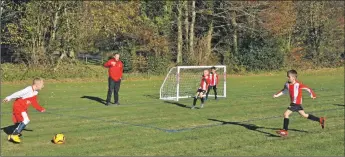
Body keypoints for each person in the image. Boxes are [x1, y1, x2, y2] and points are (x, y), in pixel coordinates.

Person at [273, 70, 325, 137]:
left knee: (286, 114)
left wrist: (313, 95)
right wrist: (276, 95)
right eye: (287, 76)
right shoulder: (287, 84)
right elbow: (284, 90)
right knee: (304, 115)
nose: (287, 78)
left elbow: (308, 88)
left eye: (289, 77)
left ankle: (285, 130)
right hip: (294, 104)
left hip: (296, 104)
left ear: (294, 78)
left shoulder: (298, 84)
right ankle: (320, 120)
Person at [2, 78, 46, 143]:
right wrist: (9, 97)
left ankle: (12, 133)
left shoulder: (36, 92)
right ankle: (14, 135)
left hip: (23, 108)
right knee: (26, 120)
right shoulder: (28, 89)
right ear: (37, 85)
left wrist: (40, 109)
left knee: (22, 121)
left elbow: (34, 102)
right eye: (42, 84)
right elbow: (18, 93)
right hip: (18, 106)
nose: (43, 86)